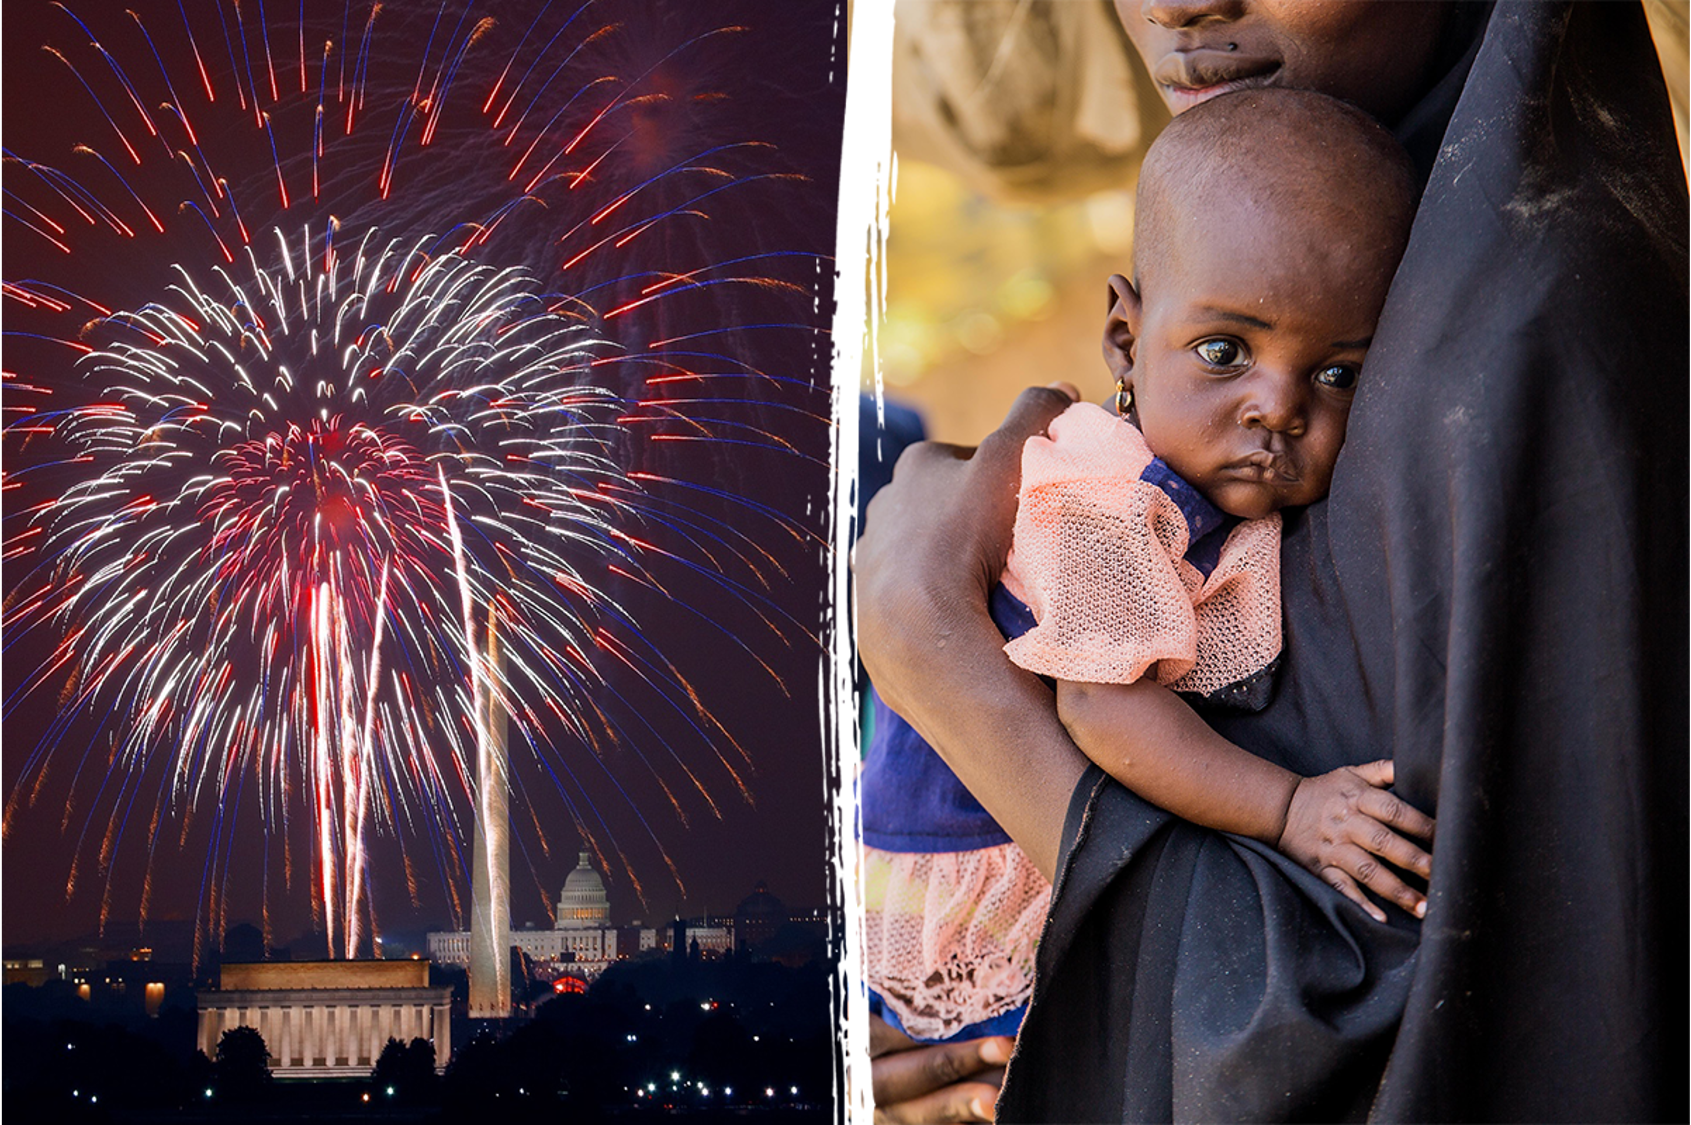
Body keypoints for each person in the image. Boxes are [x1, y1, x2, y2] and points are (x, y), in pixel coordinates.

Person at [857, 2, 1687, 1121]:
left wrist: (935, 654)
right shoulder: (1340, 260)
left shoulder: (1518, 360)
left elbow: (1426, 1027)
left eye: (1334, 374)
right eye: (1220, 350)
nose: (1175, 5)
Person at [864, 89, 1430, 1054]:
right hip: (985, 871)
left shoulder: (1209, 492)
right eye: (1224, 351)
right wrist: (1288, 807)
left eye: (1337, 373)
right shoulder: (1102, 498)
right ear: (1124, 336)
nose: (1278, 408)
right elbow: (1103, 710)